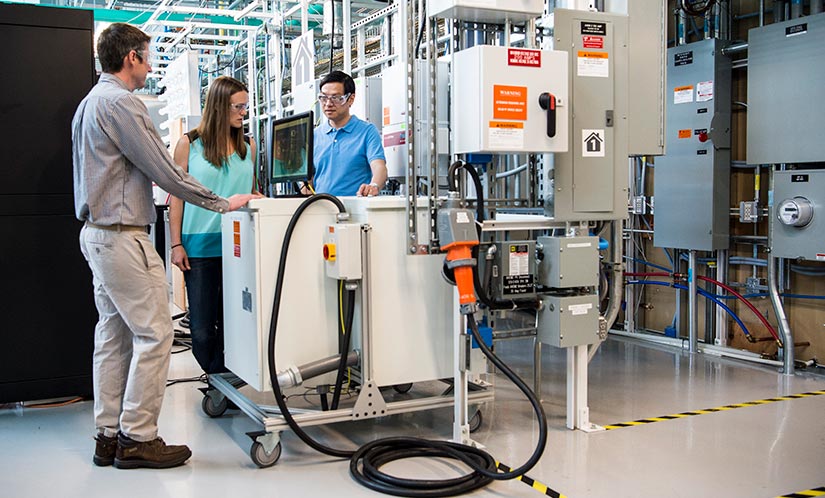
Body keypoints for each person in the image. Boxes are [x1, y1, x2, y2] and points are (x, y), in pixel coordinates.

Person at [72, 23, 259, 470]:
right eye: (147, 56)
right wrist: (220, 203)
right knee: (155, 334)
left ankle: (108, 435)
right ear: (131, 57)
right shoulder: (121, 103)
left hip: (98, 234)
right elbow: (166, 174)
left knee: (112, 336)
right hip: (121, 236)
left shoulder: (88, 104)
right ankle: (138, 437)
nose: (150, 65)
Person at [169, 76, 257, 376]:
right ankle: (218, 376)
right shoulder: (189, 144)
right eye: (237, 106)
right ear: (219, 106)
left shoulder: (248, 146)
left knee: (236, 322)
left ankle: (225, 382)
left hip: (240, 246)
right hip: (199, 248)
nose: (243, 112)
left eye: (245, 106)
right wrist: (176, 243)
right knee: (203, 329)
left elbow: (252, 191)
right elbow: (177, 198)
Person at [312, 70, 387, 196]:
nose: (328, 104)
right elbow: (307, 179)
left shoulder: (367, 132)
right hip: (321, 209)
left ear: (350, 99)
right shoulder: (314, 135)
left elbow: (379, 167)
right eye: (323, 98)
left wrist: (374, 185)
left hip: (354, 210)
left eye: (336, 98)